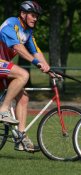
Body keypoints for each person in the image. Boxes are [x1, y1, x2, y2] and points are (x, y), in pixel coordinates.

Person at [0, 1, 50, 152]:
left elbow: (36, 51)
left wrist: (49, 69)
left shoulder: (28, 32)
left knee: (24, 97)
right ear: (23, 14)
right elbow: (17, 47)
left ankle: (20, 138)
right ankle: (3, 110)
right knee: (23, 74)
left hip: (2, 65)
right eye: (33, 15)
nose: (35, 19)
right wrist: (35, 62)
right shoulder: (11, 24)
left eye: (37, 17)